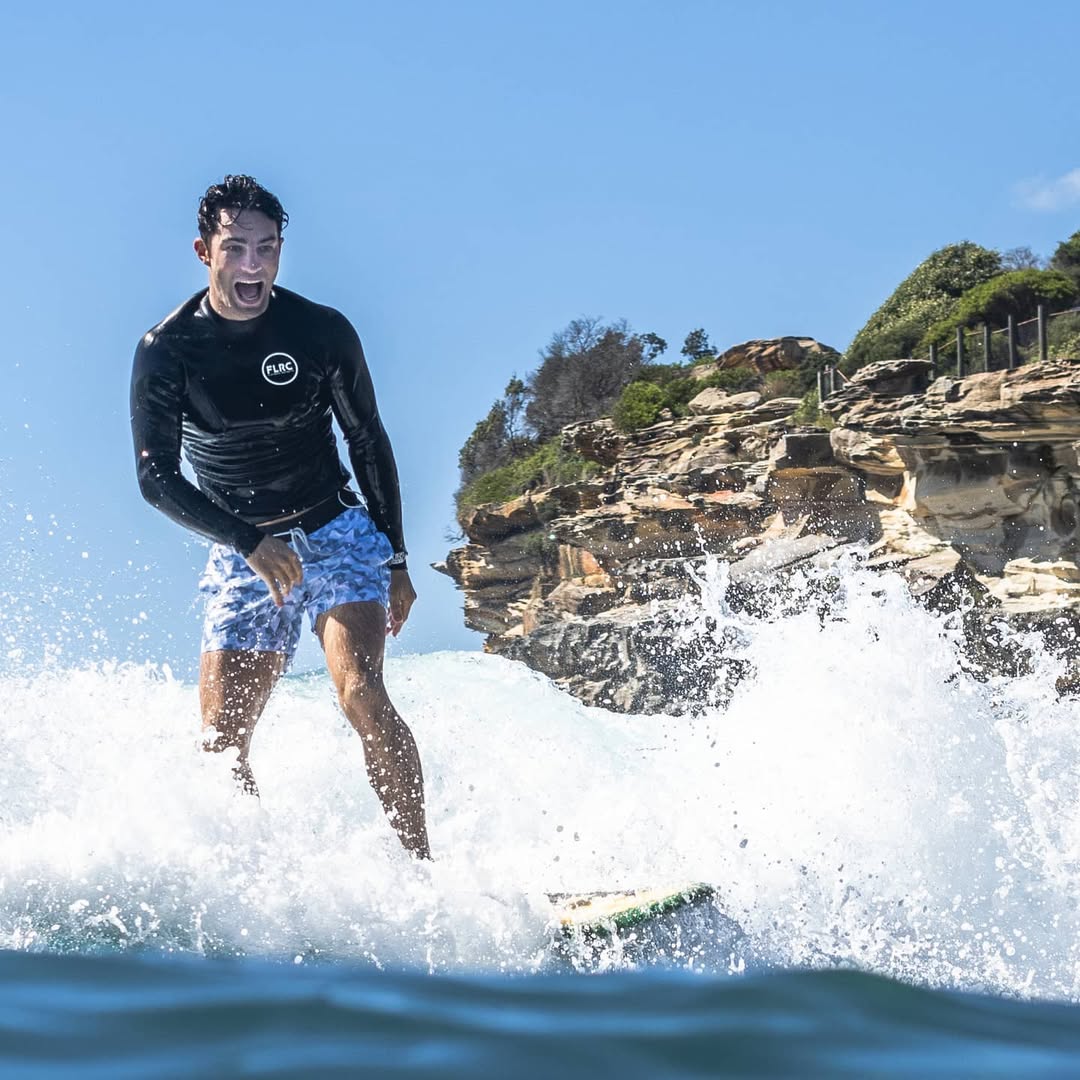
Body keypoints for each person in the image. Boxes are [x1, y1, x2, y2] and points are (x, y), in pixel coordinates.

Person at [130, 174, 430, 860]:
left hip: (334, 533)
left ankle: (420, 871)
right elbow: (155, 478)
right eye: (236, 249)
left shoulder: (320, 332)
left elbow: (367, 441)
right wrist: (247, 541)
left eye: (266, 249)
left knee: (361, 693)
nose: (253, 266)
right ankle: (256, 892)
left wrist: (398, 559)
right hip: (241, 551)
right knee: (220, 743)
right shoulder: (168, 351)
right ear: (204, 251)